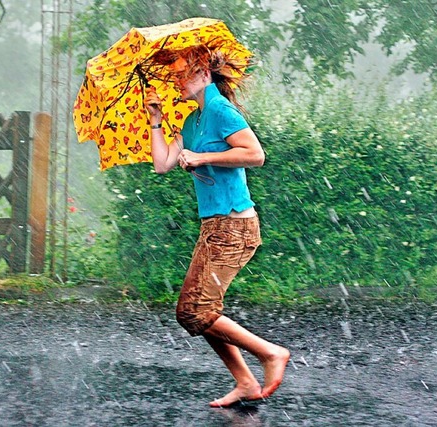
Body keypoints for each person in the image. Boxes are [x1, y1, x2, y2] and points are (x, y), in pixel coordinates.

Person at [143, 43, 290, 408]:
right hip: (214, 228)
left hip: (234, 227)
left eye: (182, 74)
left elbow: (255, 154)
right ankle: (245, 382)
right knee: (199, 312)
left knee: (194, 311)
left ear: (204, 74)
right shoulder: (193, 121)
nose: (177, 80)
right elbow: (162, 163)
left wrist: (203, 156)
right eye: (175, 75)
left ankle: (270, 353)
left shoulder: (222, 110)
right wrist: (156, 120)